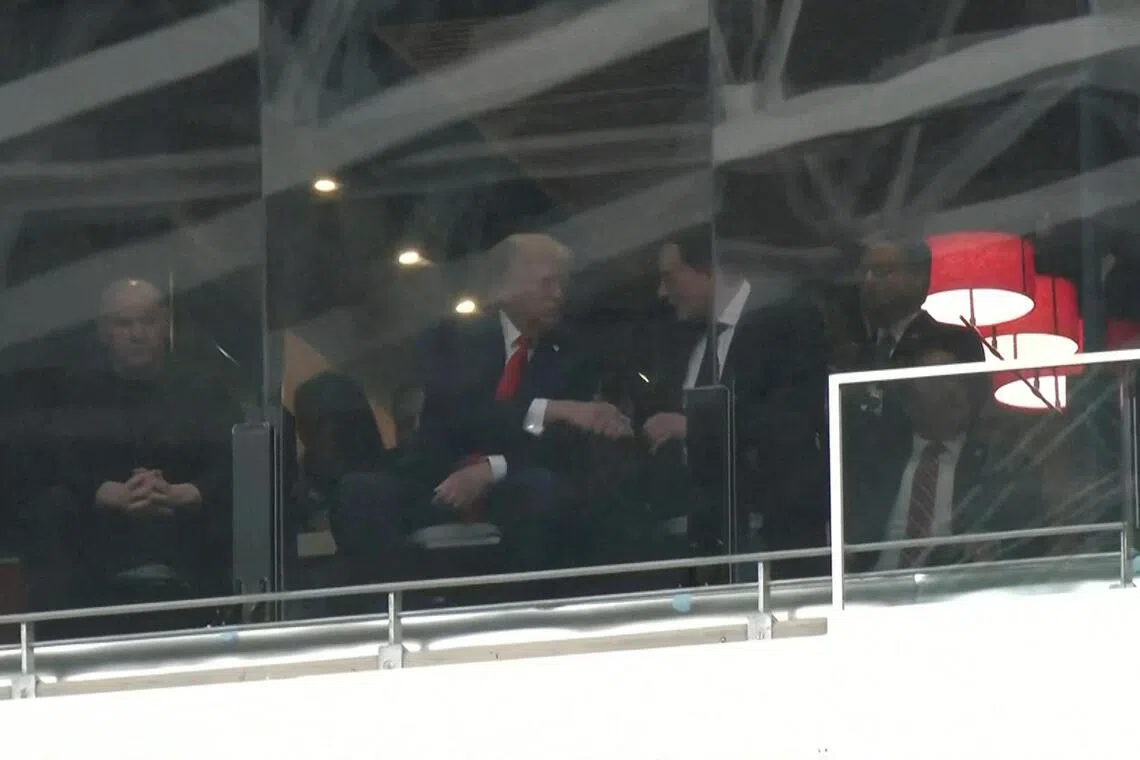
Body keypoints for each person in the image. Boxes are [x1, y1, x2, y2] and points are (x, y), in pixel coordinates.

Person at [332, 233, 632, 583]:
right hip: (440, 476)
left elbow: (565, 445)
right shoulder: (451, 340)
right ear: (504, 286)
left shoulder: (574, 355)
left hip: (518, 483)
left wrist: (493, 469)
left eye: (562, 284)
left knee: (546, 491)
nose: (558, 295)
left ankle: (521, 612)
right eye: (546, 283)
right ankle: (405, 608)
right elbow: (462, 413)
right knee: (360, 493)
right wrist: (550, 410)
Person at [48, 278, 241, 629]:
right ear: (104, 331)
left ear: (166, 324)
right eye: (125, 324)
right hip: (95, 573)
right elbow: (53, 465)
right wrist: (100, 492)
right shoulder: (75, 396)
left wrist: (193, 493)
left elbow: (239, 464)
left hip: (194, 564)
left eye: (149, 321)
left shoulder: (207, 391)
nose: (138, 333)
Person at [645, 229, 830, 576]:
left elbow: (793, 421)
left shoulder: (789, 322)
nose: (662, 292)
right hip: (697, 537)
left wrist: (693, 426)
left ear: (709, 270)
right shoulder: (679, 338)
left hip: (771, 539)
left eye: (670, 278)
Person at [844, 342, 1036, 571]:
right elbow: (850, 530)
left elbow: (1029, 536)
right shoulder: (877, 459)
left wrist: (993, 544)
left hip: (953, 588)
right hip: (873, 589)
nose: (954, 389)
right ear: (909, 401)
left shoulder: (995, 462)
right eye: (938, 380)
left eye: (957, 378)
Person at [857, 237, 985, 368]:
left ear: (919, 279)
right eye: (863, 273)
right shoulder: (854, 349)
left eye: (882, 271)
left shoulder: (956, 342)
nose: (868, 281)